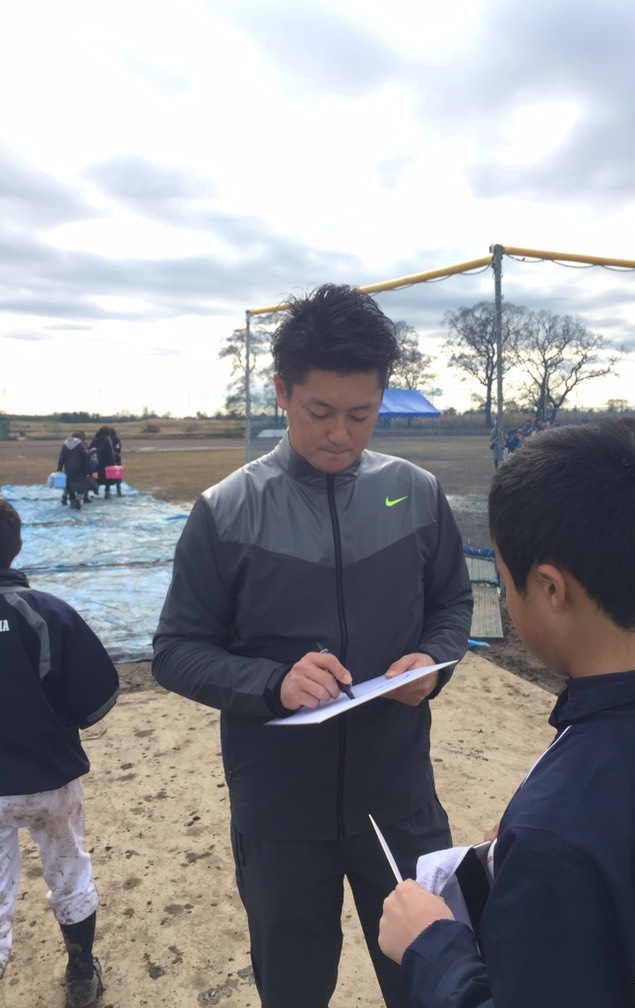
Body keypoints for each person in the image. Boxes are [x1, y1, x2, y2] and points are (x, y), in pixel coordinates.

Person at [152, 284, 473, 1008]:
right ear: (281, 392)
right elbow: (175, 649)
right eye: (319, 412)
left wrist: (434, 657)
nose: (341, 434)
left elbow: (454, 603)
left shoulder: (416, 494)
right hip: (278, 812)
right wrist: (272, 683)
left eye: (361, 415)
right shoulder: (226, 511)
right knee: (294, 989)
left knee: (431, 982)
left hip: (399, 798)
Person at [378, 420, 635, 1008]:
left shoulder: (561, 827)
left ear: (551, 588)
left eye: (506, 581)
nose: (506, 598)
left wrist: (433, 947)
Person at [0, 499, 119, 1006]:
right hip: (51, 777)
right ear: (19, 545)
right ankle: (80, 976)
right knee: (70, 870)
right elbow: (98, 693)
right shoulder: (46, 611)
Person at [57, 431, 92, 509]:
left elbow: (62, 458)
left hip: (68, 470)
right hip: (79, 469)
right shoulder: (80, 445)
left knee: (70, 486)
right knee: (82, 485)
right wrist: (87, 469)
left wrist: (59, 468)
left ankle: (72, 502)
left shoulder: (65, 445)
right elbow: (85, 456)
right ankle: (78, 499)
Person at [88, 426, 116, 499]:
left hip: (94, 463)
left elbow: (89, 449)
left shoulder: (94, 439)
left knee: (95, 476)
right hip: (105, 463)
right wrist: (113, 463)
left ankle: (95, 487)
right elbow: (110, 452)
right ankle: (107, 491)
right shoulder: (107, 439)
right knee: (107, 478)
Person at [105, 426, 123, 496]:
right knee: (117, 475)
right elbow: (118, 449)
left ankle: (107, 490)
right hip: (117, 458)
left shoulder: (107, 439)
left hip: (108, 459)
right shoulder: (117, 439)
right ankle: (119, 490)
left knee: (108, 475)